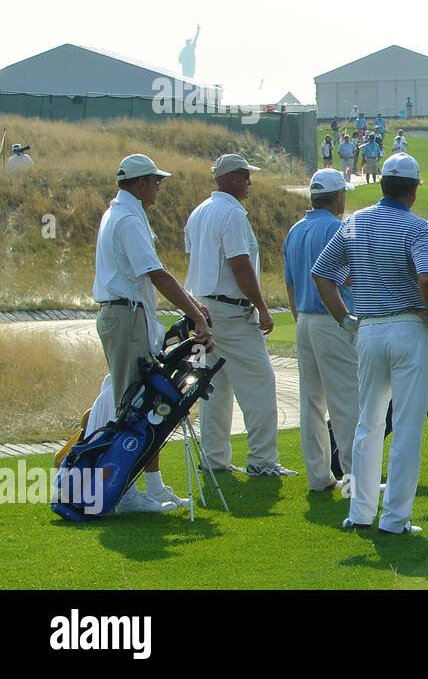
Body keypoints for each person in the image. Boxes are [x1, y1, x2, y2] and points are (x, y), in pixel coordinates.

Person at [311, 152, 428, 535]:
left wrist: (345, 320)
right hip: (408, 328)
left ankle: (361, 513)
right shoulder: (419, 227)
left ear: (383, 184)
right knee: (405, 427)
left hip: (367, 331)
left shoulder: (353, 223)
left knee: (367, 424)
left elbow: (322, 274)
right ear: (413, 189)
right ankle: (395, 519)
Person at [93, 153, 216, 512]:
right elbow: (156, 273)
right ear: (140, 183)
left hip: (129, 316)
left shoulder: (123, 213)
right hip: (125, 317)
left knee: (147, 402)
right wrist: (195, 314)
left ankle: (152, 486)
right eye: (156, 181)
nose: (159, 187)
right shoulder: (128, 219)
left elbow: (153, 273)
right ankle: (126, 492)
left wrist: (193, 305)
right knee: (134, 405)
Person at [184, 154, 296, 476]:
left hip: (202, 309)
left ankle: (214, 459)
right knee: (260, 383)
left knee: (214, 388)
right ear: (231, 178)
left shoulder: (199, 212)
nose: (250, 181)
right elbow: (240, 265)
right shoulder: (232, 213)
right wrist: (262, 308)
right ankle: (262, 461)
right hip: (229, 312)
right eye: (246, 175)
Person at [284, 169, 359, 492]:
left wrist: (298, 316)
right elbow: (346, 279)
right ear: (338, 196)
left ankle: (319, 476)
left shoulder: (296, 229)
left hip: (304, 320)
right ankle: (356, 477)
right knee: (346, 401)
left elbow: (289, 282)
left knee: (311, 401)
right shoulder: (337, 229)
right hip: (333, 318)